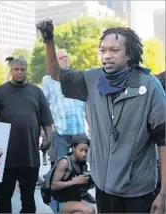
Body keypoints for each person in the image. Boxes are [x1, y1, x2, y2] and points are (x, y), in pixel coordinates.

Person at [40, 19, 165, 213]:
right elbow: (57, 74)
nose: (106, 56)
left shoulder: (149, 86)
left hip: (139, 191)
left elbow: (163, 141)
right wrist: (49, 39)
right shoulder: (92, 79)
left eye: (114, 50)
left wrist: (163, 192)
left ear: (130, 54)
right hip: (104, 188)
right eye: (103, 50)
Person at [0, 57, 53, 213]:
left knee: (28, 198)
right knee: (2, 198)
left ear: (27, 71)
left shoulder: (36, 92)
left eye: (22, 69)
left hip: (29, 155)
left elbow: (46, 117)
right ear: (11, 71)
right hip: (4, 156)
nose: (19, 72)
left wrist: (49, 138)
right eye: (16, 69)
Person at [42, 49, 95, 203]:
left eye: (66, 57)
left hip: (78, 128)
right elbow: (44, 105)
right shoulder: (47, 80)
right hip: (60, 128)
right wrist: (47, 126)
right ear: (54, 62)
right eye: (61, 58)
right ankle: (63, 196)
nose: (65, 60)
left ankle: (83, 193)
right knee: (63, 163)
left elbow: (85, 103)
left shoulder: (76, 78)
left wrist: (89, 124)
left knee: (82, 163)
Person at [50, 135, 95, 214]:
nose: (84, 154)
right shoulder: (65, 162)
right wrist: (75, 181)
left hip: (73, 200)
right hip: (59, 202)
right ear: (73, 148)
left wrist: (89, 181)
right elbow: (54, 185)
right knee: (90, 210)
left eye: (86, 151)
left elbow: (82, 189)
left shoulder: (83, 164)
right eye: (80, 150)